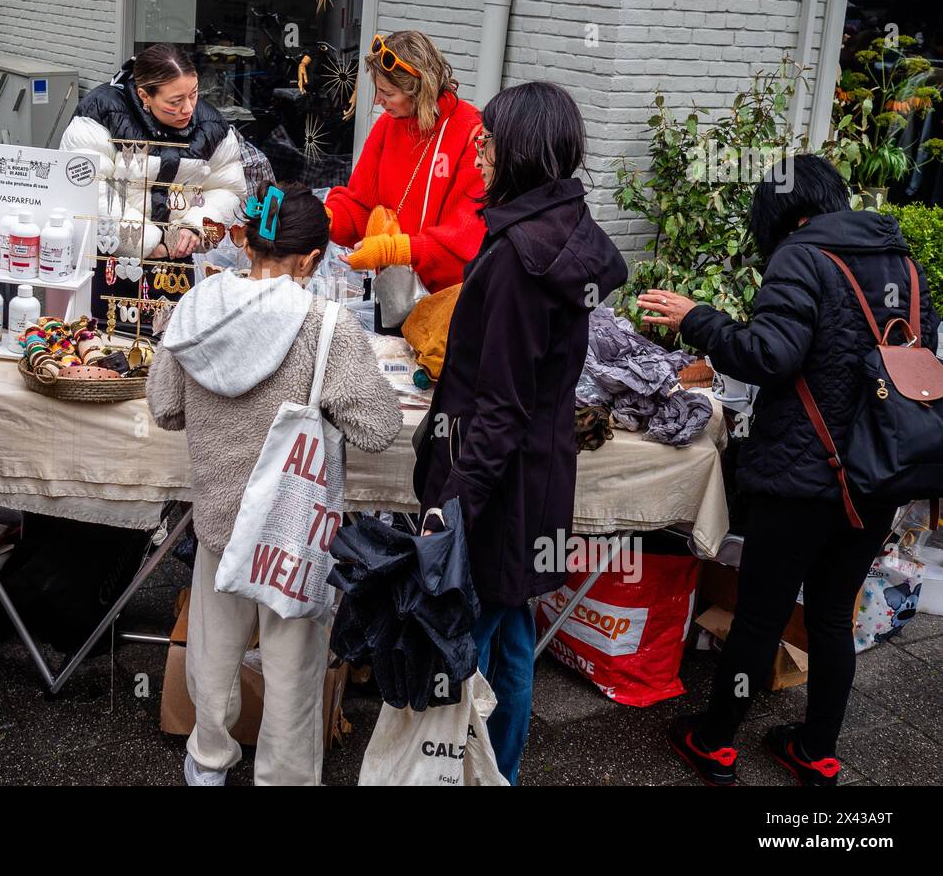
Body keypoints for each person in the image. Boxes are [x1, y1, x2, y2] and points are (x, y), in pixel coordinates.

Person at [638, 154, 939, 787]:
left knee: (761, 615)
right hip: (877, 477)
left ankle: (715, 740)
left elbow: (770, 354)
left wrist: (699, 319)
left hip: (802, 478)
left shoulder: (800, 257)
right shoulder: (907, 268)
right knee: (832, 615)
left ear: (787, 214)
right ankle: (817, 750)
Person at [147, 182, 402, 786]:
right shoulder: (326, 325)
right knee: (293, 666)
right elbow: (378, 428)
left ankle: (207, 761)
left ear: (245, 242)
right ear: (312, 260)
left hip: (217, 517)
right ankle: (284, 776)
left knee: (212, 650)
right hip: (291, 530)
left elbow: (164, 407)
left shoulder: (196, 307)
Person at [413, 82, 627, 785]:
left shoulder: (514, 258)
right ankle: (496, 770)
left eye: (489, 139)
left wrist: (456, 500)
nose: (477, 148)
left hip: (500, 482)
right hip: (541, 469)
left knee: (478, 638)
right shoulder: (567, 227)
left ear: (521, 151)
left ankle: (466, 769)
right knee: (511, 630)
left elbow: (499, 403)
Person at [58, 44, 247, 320]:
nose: (188, 109)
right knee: (107, 338)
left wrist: (195, 229)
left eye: (193, 94)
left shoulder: (211, 125)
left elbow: (228, 188)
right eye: (175, 101)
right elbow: (90, 189)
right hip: (109, 257)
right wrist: (147, 243)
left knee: (171, 339)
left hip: (177, 261)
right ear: (144, 95)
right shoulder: (99, 112)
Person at [324, 30, 485, 322]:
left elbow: (463, 247)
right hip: (393, 296)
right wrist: (325, 217)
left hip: (448, 309)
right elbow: (361, 207)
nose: (378, 102)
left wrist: (393, 250)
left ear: (421, 90)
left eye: (388, 94)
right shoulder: (388, 125)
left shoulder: (471, 133)